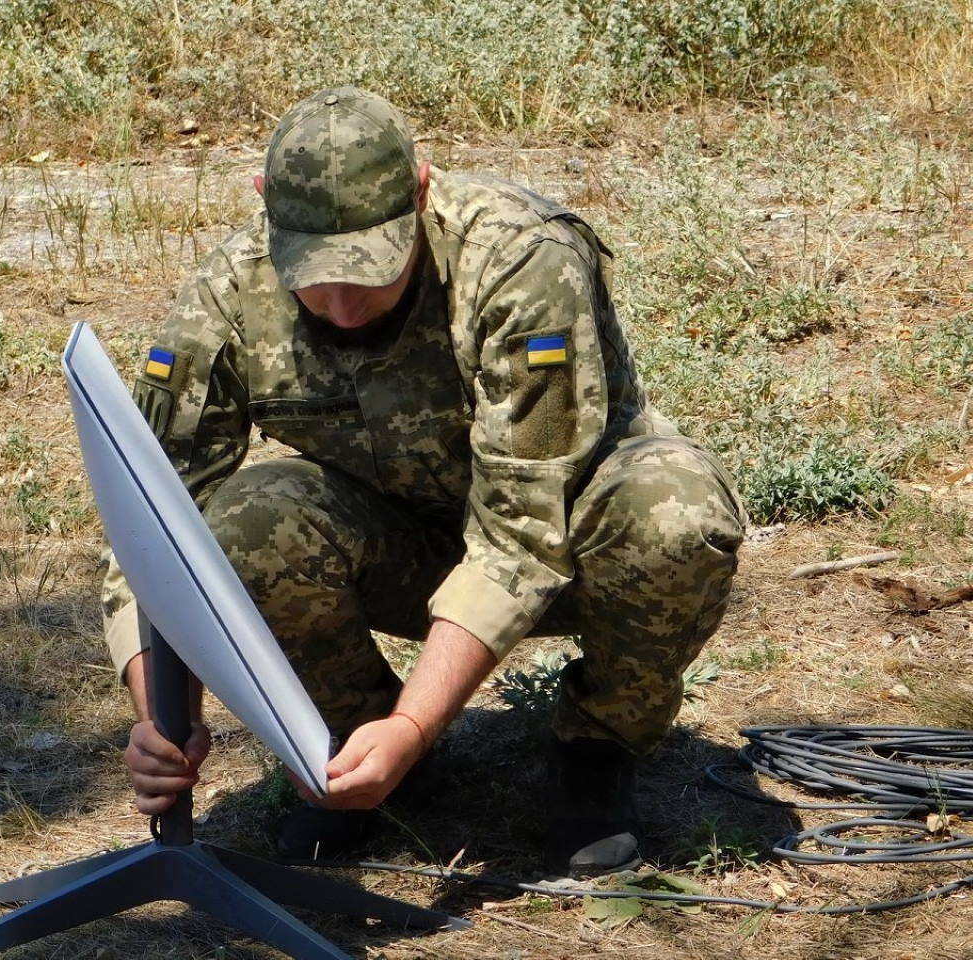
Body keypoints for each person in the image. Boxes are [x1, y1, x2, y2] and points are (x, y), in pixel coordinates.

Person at [102, 87, 745, 878]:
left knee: (674, 512)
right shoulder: (226, 295)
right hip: (400, 548)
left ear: (421, 189)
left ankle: (596, 748)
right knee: (244, 524)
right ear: (265, 205)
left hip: (572, 543)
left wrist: (418, 723)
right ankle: (350, 745)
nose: (339, 306)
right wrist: (161, 713)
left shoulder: (518, 261)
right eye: (312, 273)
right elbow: (154, 523)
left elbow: (520, 532)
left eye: (367, 270)